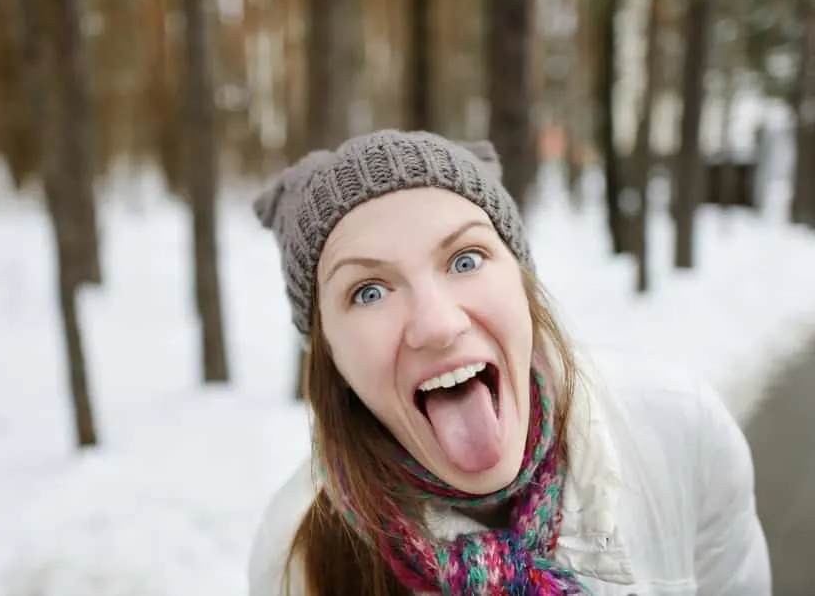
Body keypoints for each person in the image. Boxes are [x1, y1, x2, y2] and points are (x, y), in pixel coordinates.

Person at [247, 129, 771, 595]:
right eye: (368, 292)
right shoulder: (293, 554)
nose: (437, 324)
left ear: (521, 283)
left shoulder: (680, 429)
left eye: (465, 259)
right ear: (331, 357)